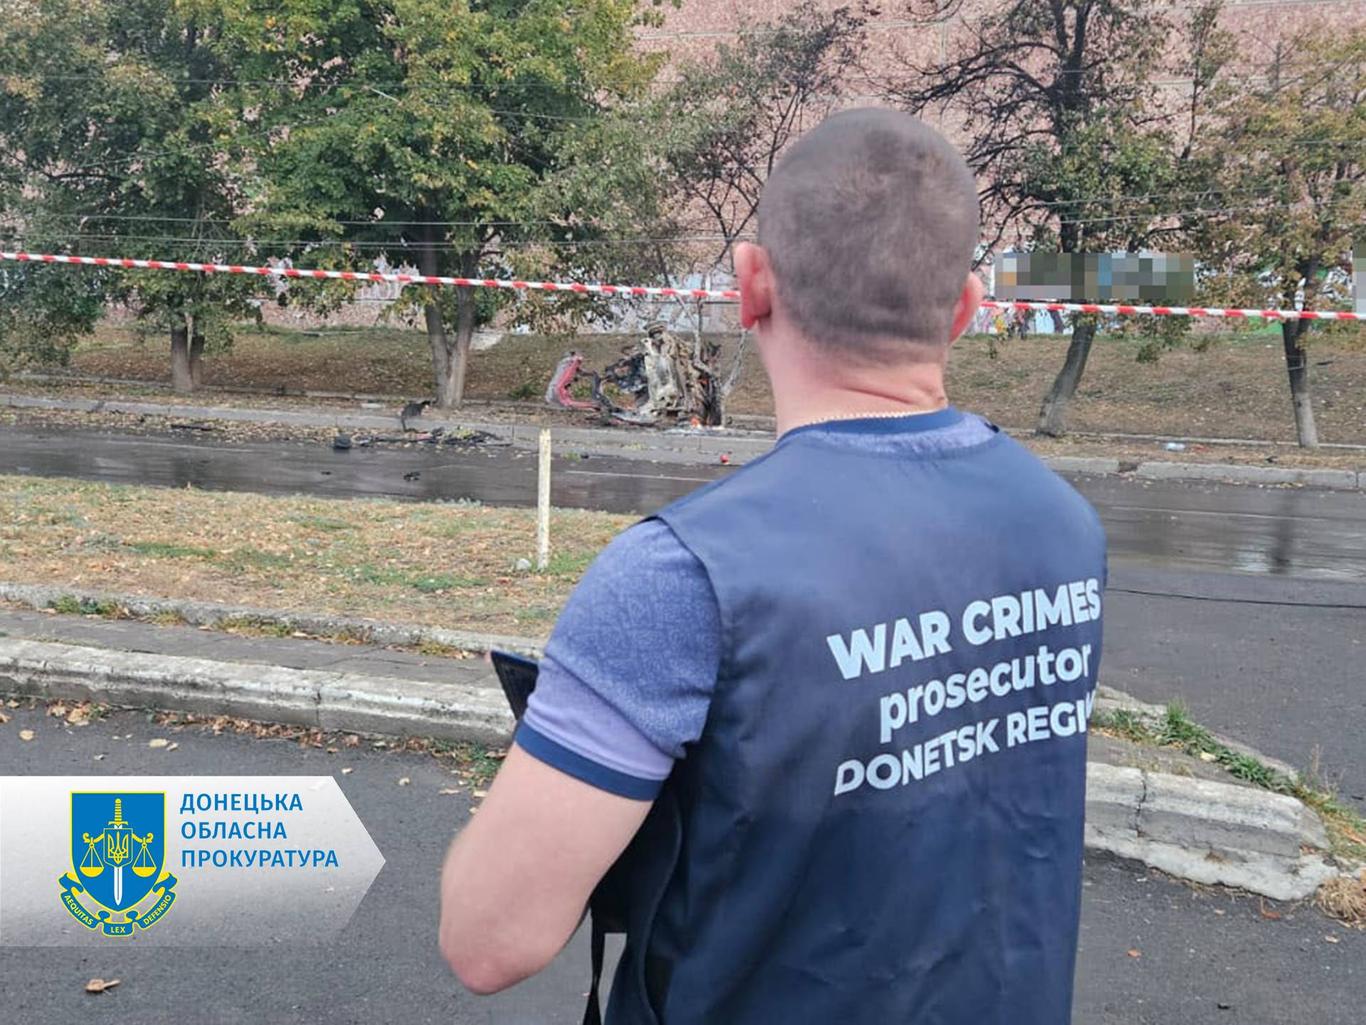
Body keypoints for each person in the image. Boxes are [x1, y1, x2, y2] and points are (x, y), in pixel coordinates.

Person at [438, 108, 1107, 1025]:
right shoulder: (1065, 526)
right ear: (966, 306)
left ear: (751, 285)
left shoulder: (683, 574)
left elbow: (487, 939)